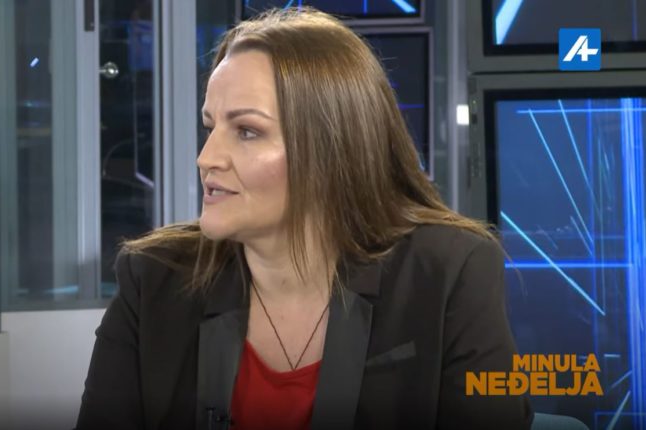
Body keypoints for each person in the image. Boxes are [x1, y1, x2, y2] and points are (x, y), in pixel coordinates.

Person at [76, 7, 532, 430]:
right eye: (210, 127)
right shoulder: (153, 277)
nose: (206, 157)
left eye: (247, 131)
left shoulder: (448, 272)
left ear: (332, 149)